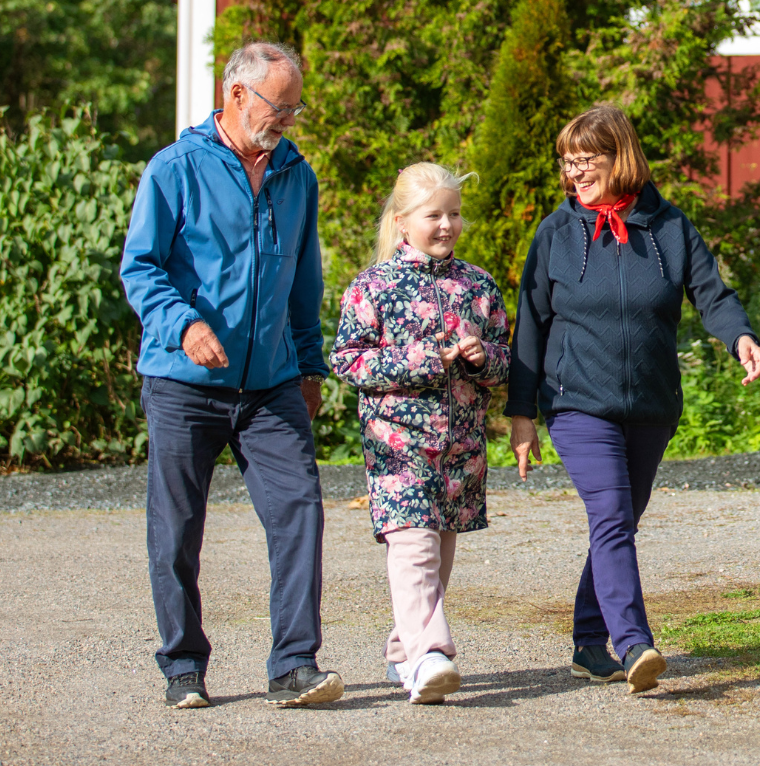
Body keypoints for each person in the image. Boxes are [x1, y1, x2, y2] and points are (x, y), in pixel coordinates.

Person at [506, 105, 760, 694]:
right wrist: (522, 414)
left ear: (619, 156)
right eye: (567, 163)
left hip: (651, 406)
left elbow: (713, 294)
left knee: (617, 523)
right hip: (577, 403)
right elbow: (529, 326)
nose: (573, 173)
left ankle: (586, 641)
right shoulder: (555, 233)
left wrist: (742, 337)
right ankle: (632, 643)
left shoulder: (670, 228)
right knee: (611, 516)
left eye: (585, 160)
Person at [120, 42, 343, 710]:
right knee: (178, 528)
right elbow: (141, 267)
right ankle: (183, 665)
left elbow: (305, 281)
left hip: (271, 383)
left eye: (296, 108)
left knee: (300, 510)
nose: (289, 121)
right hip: (183, 384)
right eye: (282, 106)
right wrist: (184, 324)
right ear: (239, 95)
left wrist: (310, 365)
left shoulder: (296, 175)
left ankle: (294, 664)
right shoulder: (175, 168)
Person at [330, 164, 510, 705]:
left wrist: (484, 359)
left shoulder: (477, 285)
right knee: (414, 550)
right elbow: (348, 361)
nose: (447, 225)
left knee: (437, 556)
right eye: (434, 215)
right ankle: (432, 653)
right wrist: (422, 360)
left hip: (460, 451)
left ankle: (403, 656)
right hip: (398, 447)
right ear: (403, 221)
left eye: (454, 214)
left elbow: (508, 362)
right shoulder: (373, 286)